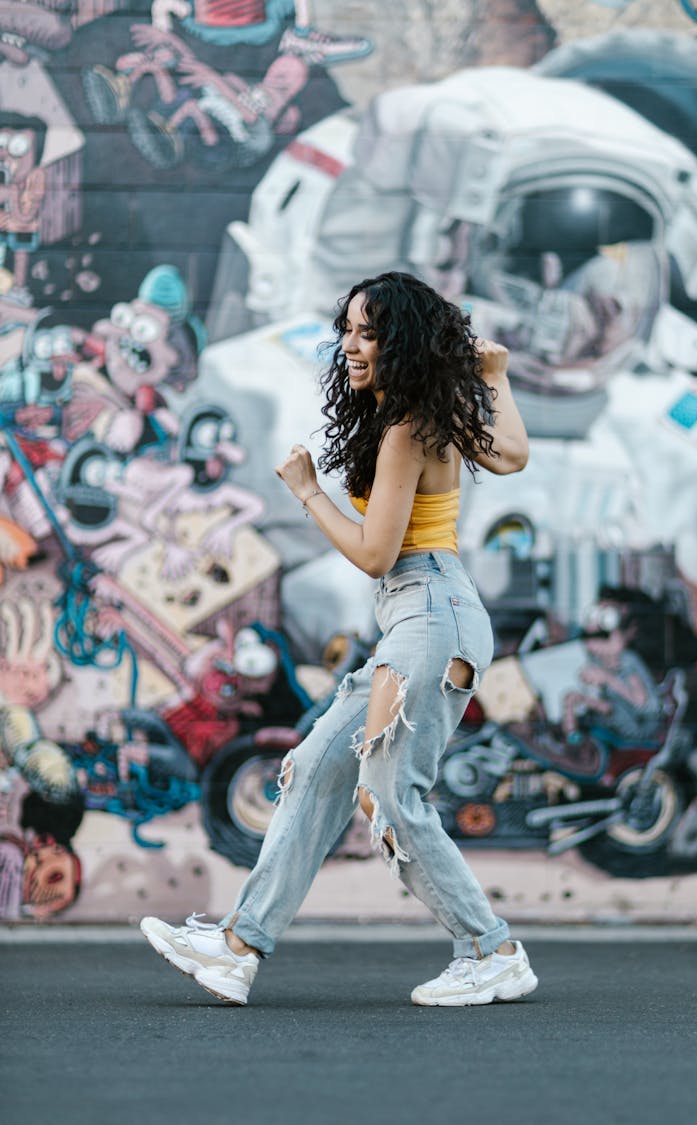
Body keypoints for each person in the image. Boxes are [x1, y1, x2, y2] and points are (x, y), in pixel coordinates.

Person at [140, 270, 537, 1007]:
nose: (352, 345)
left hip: (429, 613)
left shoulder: (407, 429)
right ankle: (237, 946)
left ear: (404, 341)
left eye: (370, 332)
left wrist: (306, 490)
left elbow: (376, 554)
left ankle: (491, 949)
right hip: (417, 617)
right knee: (317, 764)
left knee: (392, 795)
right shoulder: (425, 415)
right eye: (348, 328)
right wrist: (495, 376)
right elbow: (510, 452)